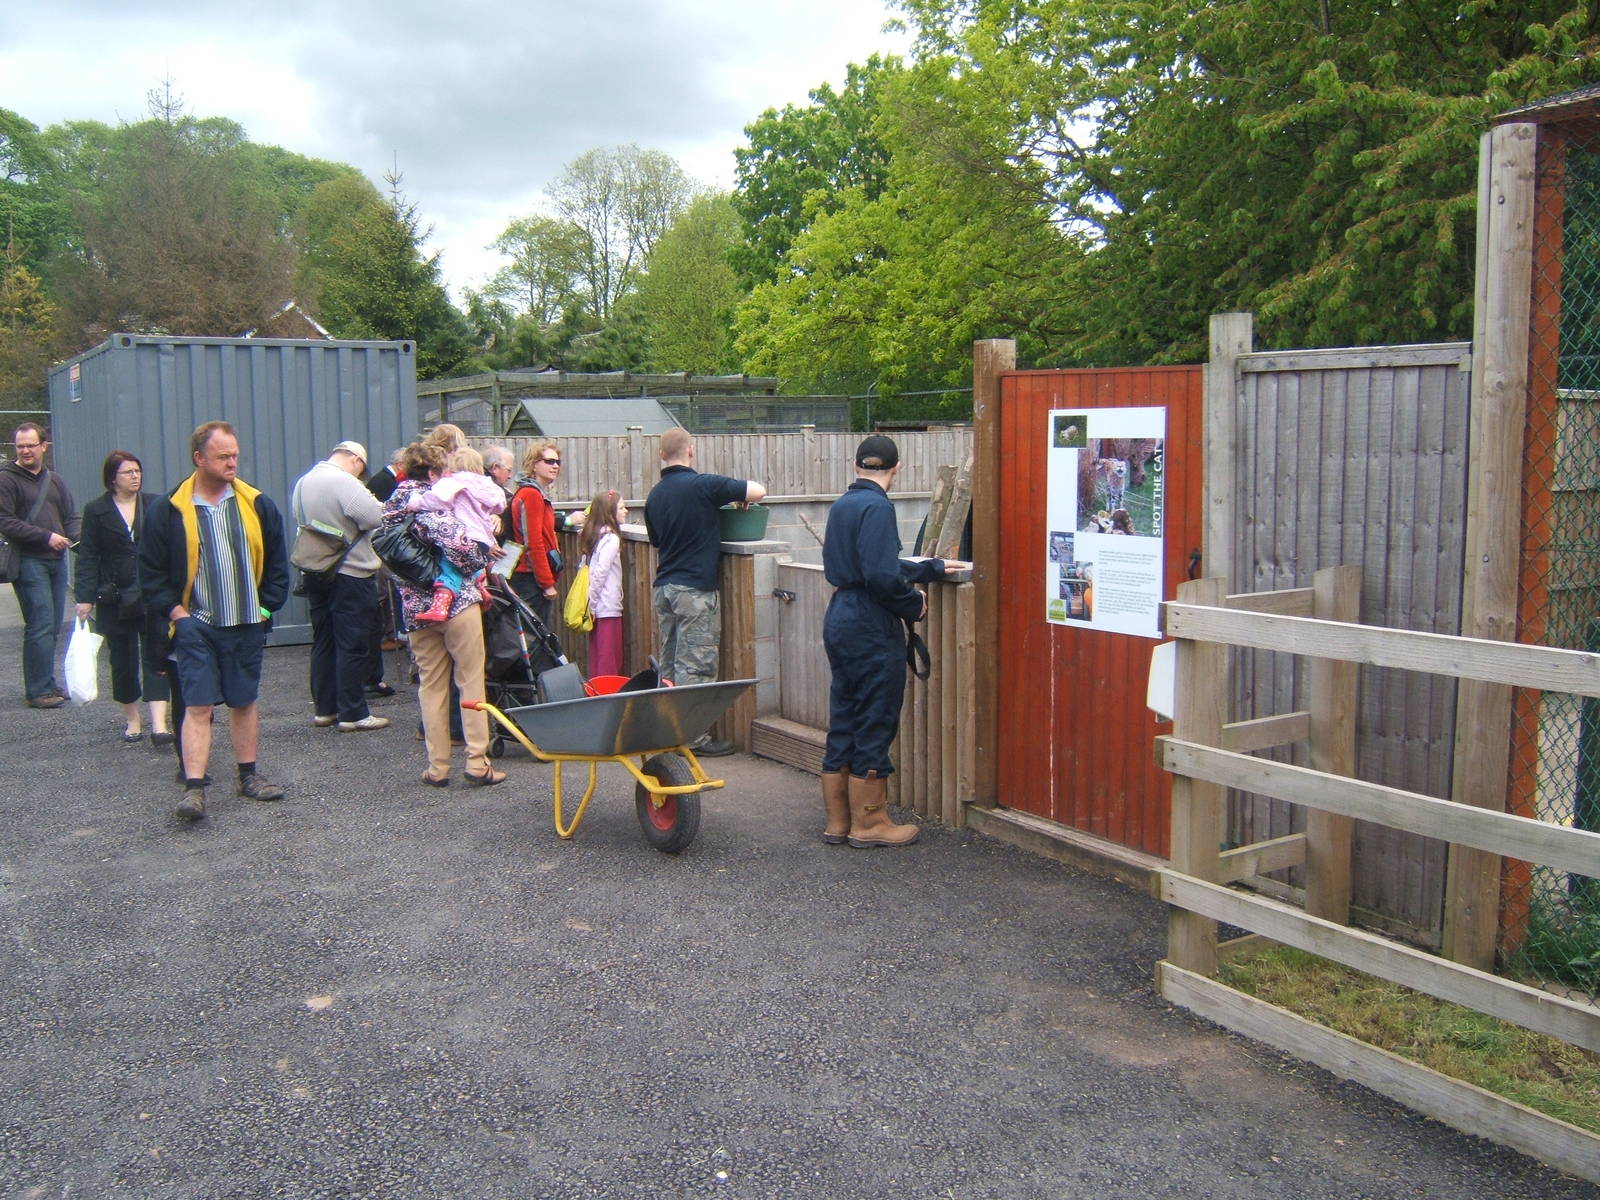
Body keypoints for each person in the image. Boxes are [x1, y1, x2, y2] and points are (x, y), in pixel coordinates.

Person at [140, 421, 290, 822]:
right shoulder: (169, 509)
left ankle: (248, 776)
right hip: (197, 626)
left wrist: (264, 609)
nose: (232, 462)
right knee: (198, 704)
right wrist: (178, 617)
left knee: (244, 701)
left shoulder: (257, 503)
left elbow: (277, 562)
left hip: (245, 622)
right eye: (223, 456)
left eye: (235, 454)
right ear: (199, 458)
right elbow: (151, 573)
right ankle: (194, 790)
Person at [819, 434, 962, 848]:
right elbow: (881, 576)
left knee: (845, 714)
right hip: (870, 621)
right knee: (875, 717)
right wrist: (912, 604)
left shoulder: (844, 505)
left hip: (841, 616)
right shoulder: (878, 507)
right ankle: (871, 824)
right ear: (896, 468)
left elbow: (870, 563)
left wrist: (930, 567)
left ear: (856, 465)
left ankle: (838, 821)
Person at [381, 442, 505, 788]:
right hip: (458, 607)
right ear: (436, 472)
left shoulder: (392, 504)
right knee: (470, 680)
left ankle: (437, 768)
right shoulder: (437, 501)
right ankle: (477, 762)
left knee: (431, 687)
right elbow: (464, 551)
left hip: (415, 609)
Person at [643, 428, 766, 757]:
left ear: (661, 456)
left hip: (664, 588)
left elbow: (655, 541)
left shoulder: (654, 496)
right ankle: (693, 739)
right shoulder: (704, 485)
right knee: (696, 665)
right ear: (691, 451)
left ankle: (667, 733)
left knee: (669, 665)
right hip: (694, 589)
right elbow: (758, 490)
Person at [72, 451, 173, 744]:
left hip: (151, 593)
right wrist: (85, 596)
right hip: (114, 596)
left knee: (157, 654)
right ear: (112, 478)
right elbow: (88, 555)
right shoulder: (96, 510)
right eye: (128, 472)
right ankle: (133, 719)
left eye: (137, 471)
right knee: (123, 660)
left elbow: (168, 547)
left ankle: (159, 724)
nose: (135, 476)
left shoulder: (155, 504)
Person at [291, 439, 390, 733]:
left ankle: (325, 709)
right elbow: (375, 516)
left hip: (316, 570)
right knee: (353, 643)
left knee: (323, 641)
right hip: (350, 572)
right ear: (356, 460)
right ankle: (353, 712)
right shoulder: (344, 482)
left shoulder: (303, 482)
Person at [0, 422, 79, 708]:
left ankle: (47, 683)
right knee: (41, 623)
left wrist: (79, 541)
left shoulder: (54, 480)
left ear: (43, 446)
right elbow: (6, 522)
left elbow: (70, 515)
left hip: (56, 561)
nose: (25, 451)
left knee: (54, 624)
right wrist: (46, 537)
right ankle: (38, 690)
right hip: (29, 560)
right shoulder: (7, 479)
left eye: (31, 445)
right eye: (20, 446)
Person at [408, 446, 506, 623]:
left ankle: (440, 605)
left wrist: (415, 503)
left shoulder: (453, 481)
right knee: (473, 564)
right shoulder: (488, 485)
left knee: (450, 566)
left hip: (463, 534)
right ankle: (481, 588)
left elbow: (437, 499)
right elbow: (500, 505)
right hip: (484, 537)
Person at [508, 441, 561, 628]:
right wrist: (546, 583)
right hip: (530, 579)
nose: (555, 465)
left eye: (557, 462)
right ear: (534, 464)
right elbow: (533, 543)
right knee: (535, 639)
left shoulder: (531, 492)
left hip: (529, 577)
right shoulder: (531, 494)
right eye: (549, 461)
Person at [576, 488, 627, 677]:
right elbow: (599, 573)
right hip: (606, 607)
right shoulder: (611, 539)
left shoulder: (593, 536)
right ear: (610, 512)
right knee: (609, 660)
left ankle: (595, 695)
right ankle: (607, 698)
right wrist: (592, 604)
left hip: (597, 607)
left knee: (598, 657)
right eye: (621, 507)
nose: (625, 511)